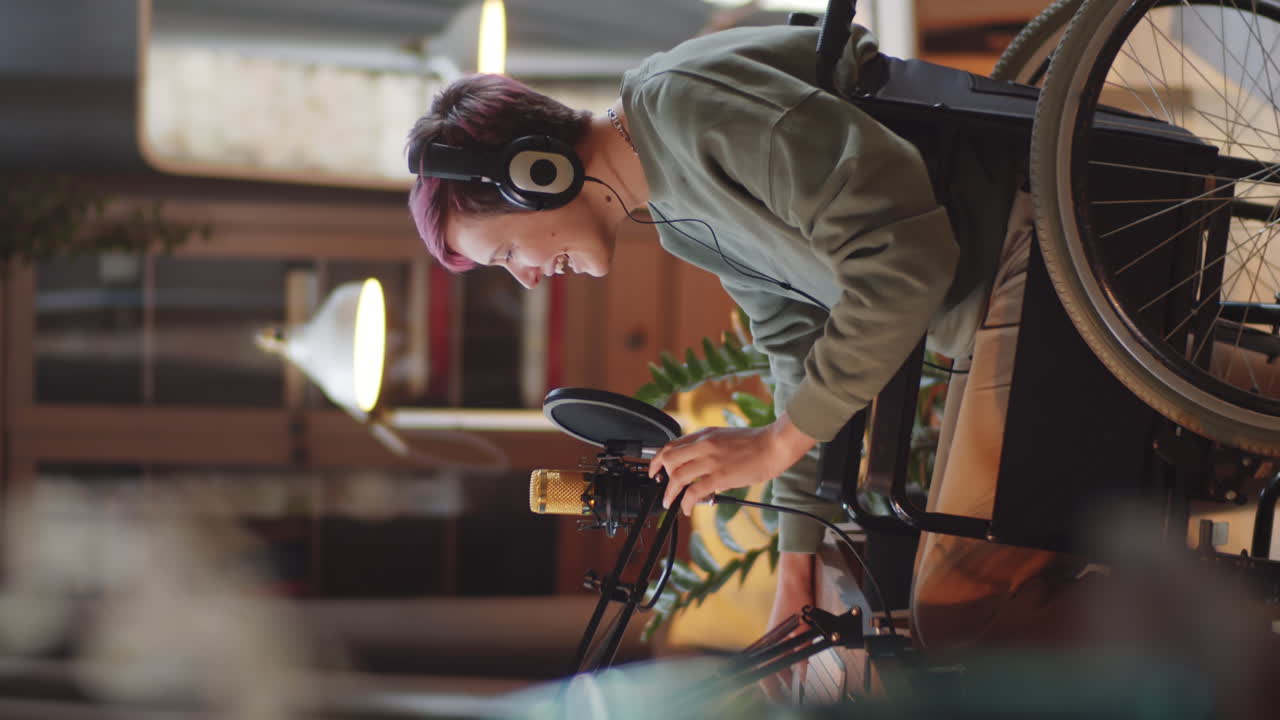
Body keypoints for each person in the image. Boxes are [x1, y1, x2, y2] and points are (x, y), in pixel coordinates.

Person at [405, 22, 1070, 666]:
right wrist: (796, 572)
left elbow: (906, 254)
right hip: (994, 305)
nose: (525, 279)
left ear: (537, 173)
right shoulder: (675, 215)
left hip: (1039, 250)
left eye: (507, 252)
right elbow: (793, 346)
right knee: (956, 586)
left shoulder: (685, 108)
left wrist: (777, 443)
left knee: (962, 605)